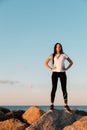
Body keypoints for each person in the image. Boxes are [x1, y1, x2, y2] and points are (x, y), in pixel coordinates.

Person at [44, 43, 73, 111]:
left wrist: (66, 68)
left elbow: (71, 62)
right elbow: (45, 63)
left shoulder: (64, 55)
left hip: (62, 73)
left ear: (61, 47)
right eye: (57, 47)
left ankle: (66, 105)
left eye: (59, 46)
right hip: (55, 73)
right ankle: (52, 104)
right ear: (55, 48)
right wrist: (51, 68)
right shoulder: (52, 55)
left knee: (64, 89)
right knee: (54, 88)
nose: (58, 48)